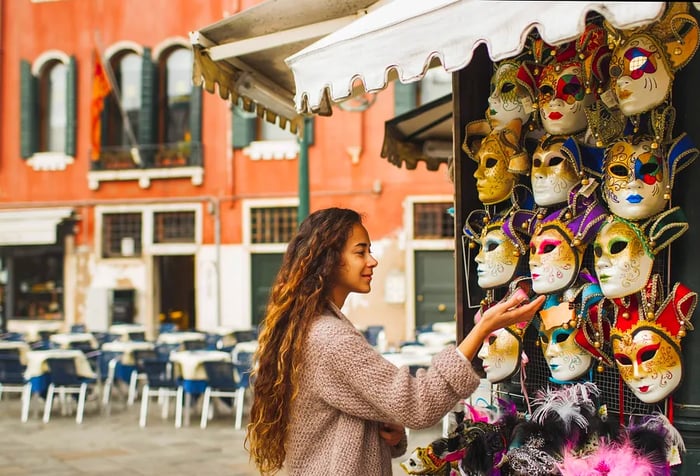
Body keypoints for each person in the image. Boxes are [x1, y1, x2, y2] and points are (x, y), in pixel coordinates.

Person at [245, 207, 545, 475]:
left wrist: (387, 428)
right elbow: (418, 404)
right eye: (360, 252)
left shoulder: (313, 328)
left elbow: (344, 416)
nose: (372, 261)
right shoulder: (330, 338)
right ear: (330, 260)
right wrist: (482, 329)